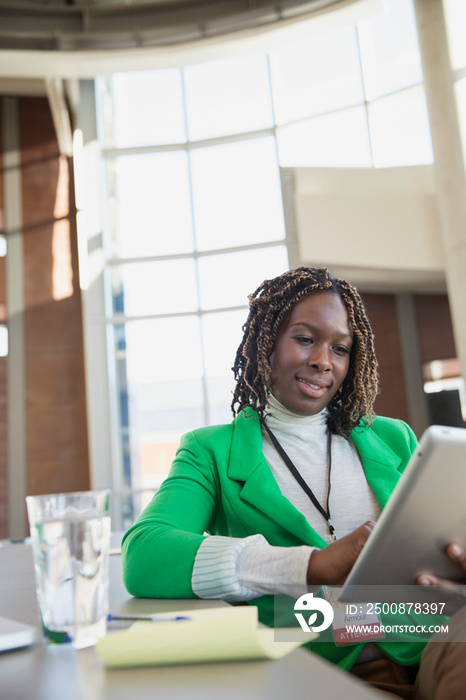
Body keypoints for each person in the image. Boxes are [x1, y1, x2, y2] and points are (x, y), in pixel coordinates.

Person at [122, 266, 466, 699]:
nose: (324, 361)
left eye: (340, 348)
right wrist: (311, 566)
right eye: (305, 339)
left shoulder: (391, 438)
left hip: (432, 647)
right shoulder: (209, 450)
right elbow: (144, 555)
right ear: (264, 343)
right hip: (312, 669)